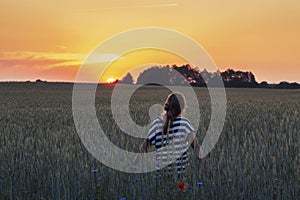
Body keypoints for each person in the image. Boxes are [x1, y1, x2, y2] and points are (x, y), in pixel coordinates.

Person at [140, 92, 203, 177]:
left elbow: (143, 148)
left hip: (161, 174)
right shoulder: (184, 124)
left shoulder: (156, 124)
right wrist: (206, 166)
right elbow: (196, 147)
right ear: (182, 108)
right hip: (181, 174)